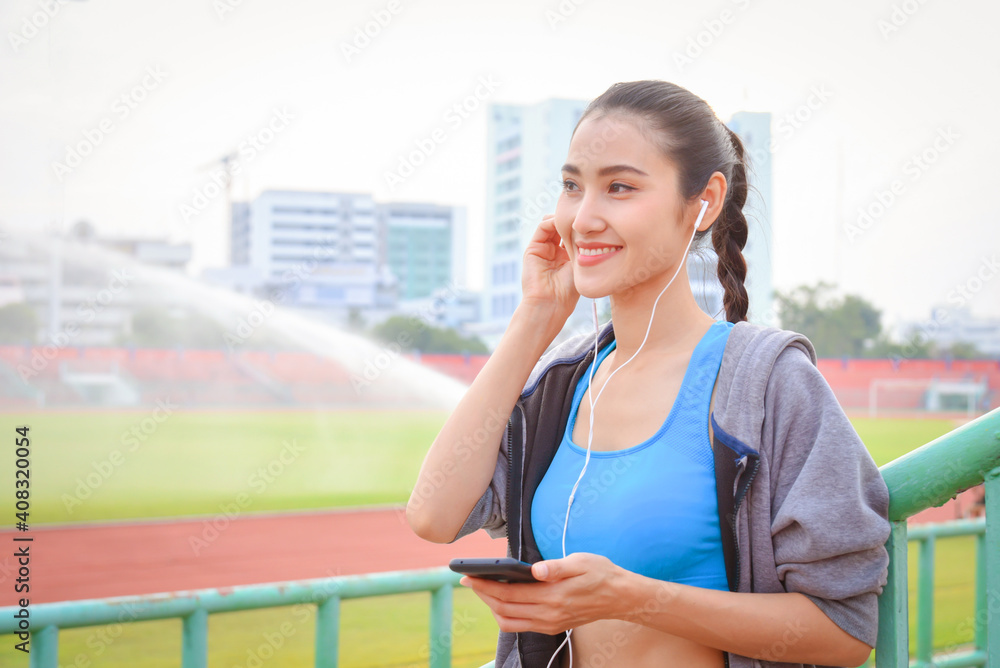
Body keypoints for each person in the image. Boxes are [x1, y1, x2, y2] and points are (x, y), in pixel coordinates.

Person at [406, 80, 890, 668]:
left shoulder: (767, 383)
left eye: (619, 188)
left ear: (704, 202)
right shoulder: (562, 384)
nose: (583, 217)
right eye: (570, 186)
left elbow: (842, 631)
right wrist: (535, 319)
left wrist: (633, 598)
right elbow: (434, 515)